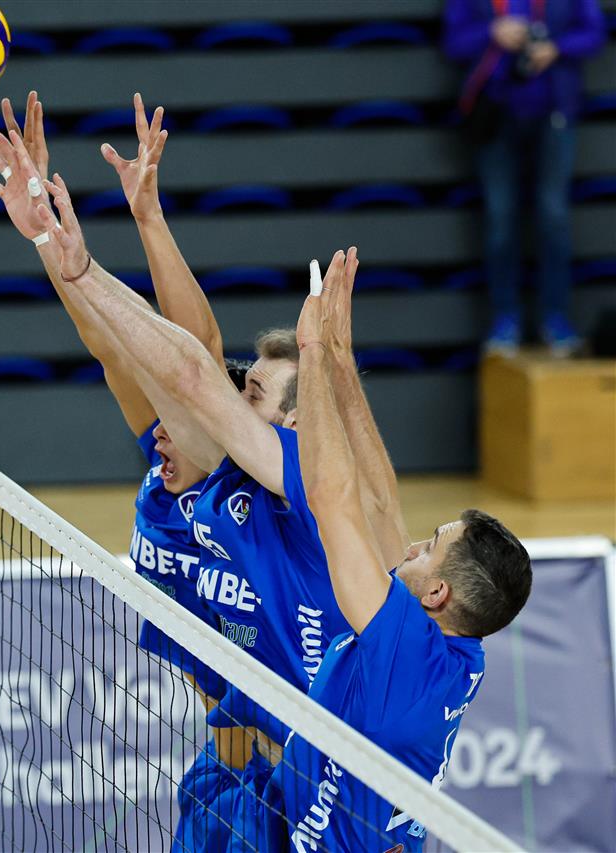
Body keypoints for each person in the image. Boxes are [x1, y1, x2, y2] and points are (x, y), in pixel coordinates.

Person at [0, 115, 408, 852]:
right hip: (227, 771)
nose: (223, 404)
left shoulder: (286, 491)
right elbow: (122, 347)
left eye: (253, 396)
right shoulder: (180, 465)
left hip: (304, 787)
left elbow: (196, 360)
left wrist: (95, 239)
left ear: (294, 424)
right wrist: (53, 234)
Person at [258, 250, 533, 851]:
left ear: (438, 592)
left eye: (429, 547)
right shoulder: (456, 649)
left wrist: (310, 354)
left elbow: (332, 501)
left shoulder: (407, 650)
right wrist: (340, 360)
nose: (409, 545)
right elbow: (380, 502)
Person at [443, 0, 606, 357]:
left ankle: (556, 320)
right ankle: (506, 321)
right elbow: (454, 42)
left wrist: (557, 48)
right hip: (495, 115)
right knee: (500, 218)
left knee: (554, 215)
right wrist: (492, 33)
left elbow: (594, 32)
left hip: (555, 111)